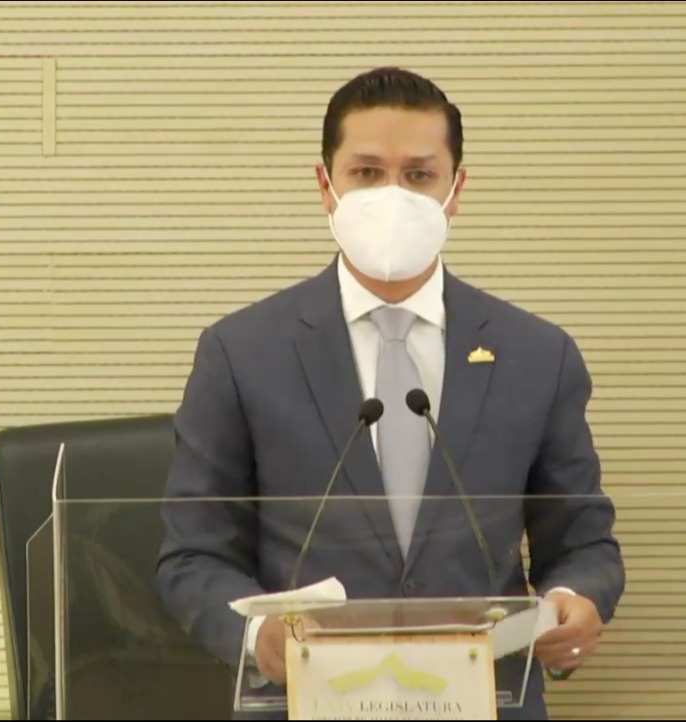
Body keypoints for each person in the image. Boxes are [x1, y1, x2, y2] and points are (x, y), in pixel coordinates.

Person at [156, 67, 624, 720]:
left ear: (455, 191)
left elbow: (581, 541)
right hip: (304, 699)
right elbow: (194, 554)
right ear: (326, 185)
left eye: (419, 175)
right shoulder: (241, 353)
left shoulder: (537, 356)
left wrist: (576, 599)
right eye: (368, 173)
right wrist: (255, 636)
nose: (393, 196)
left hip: (483, 698)